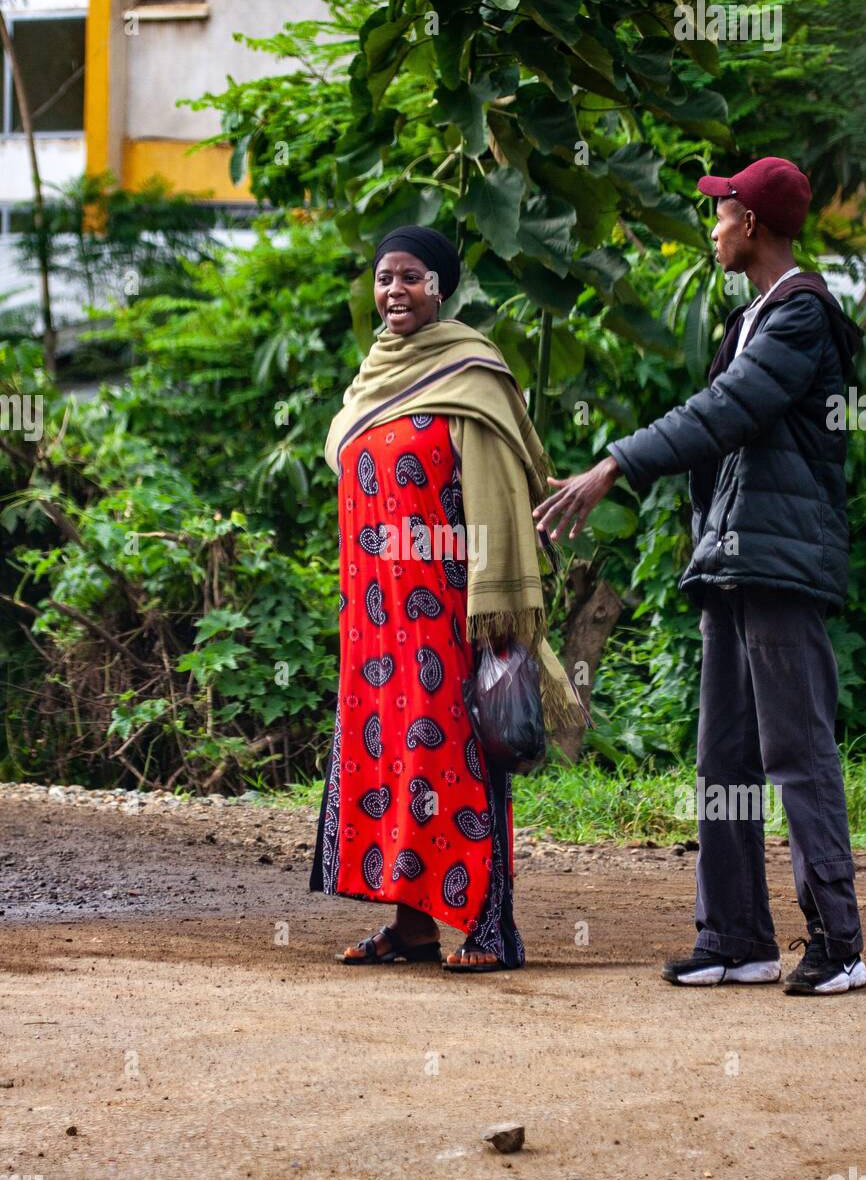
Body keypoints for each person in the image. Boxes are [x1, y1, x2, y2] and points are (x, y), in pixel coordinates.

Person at [533, 157, 866, 996]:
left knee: (798, 753)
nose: (712, 226)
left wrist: (612, 465)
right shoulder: (753, 313)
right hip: (732, 562)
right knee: (724, 761)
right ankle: (736, 938)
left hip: (782, 564)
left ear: (751, 224)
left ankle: (840, 941)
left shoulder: (802, 317)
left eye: (720, 214)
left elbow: (725, 413)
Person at [310, 225, 580, 972]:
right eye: (383, 278)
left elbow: (497, 501)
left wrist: (495, 617)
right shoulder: (371, 378)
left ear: (441, 287)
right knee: (399, 762)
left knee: (458, 760)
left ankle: (492, 927)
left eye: (411, 277)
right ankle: (414, 928)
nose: (394, 291)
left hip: (448, 611)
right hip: (375, 618)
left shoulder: (472, 376)